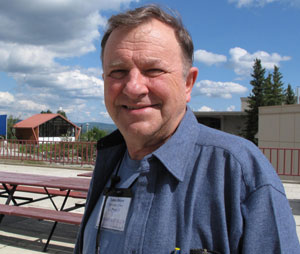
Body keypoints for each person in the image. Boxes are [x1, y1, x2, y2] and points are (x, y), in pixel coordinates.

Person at [74, 5, 300, 254]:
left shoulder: (239, 173)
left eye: (153, 70)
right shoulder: (110, 161)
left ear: (188, 83)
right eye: (118, 71)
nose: (133, 87)